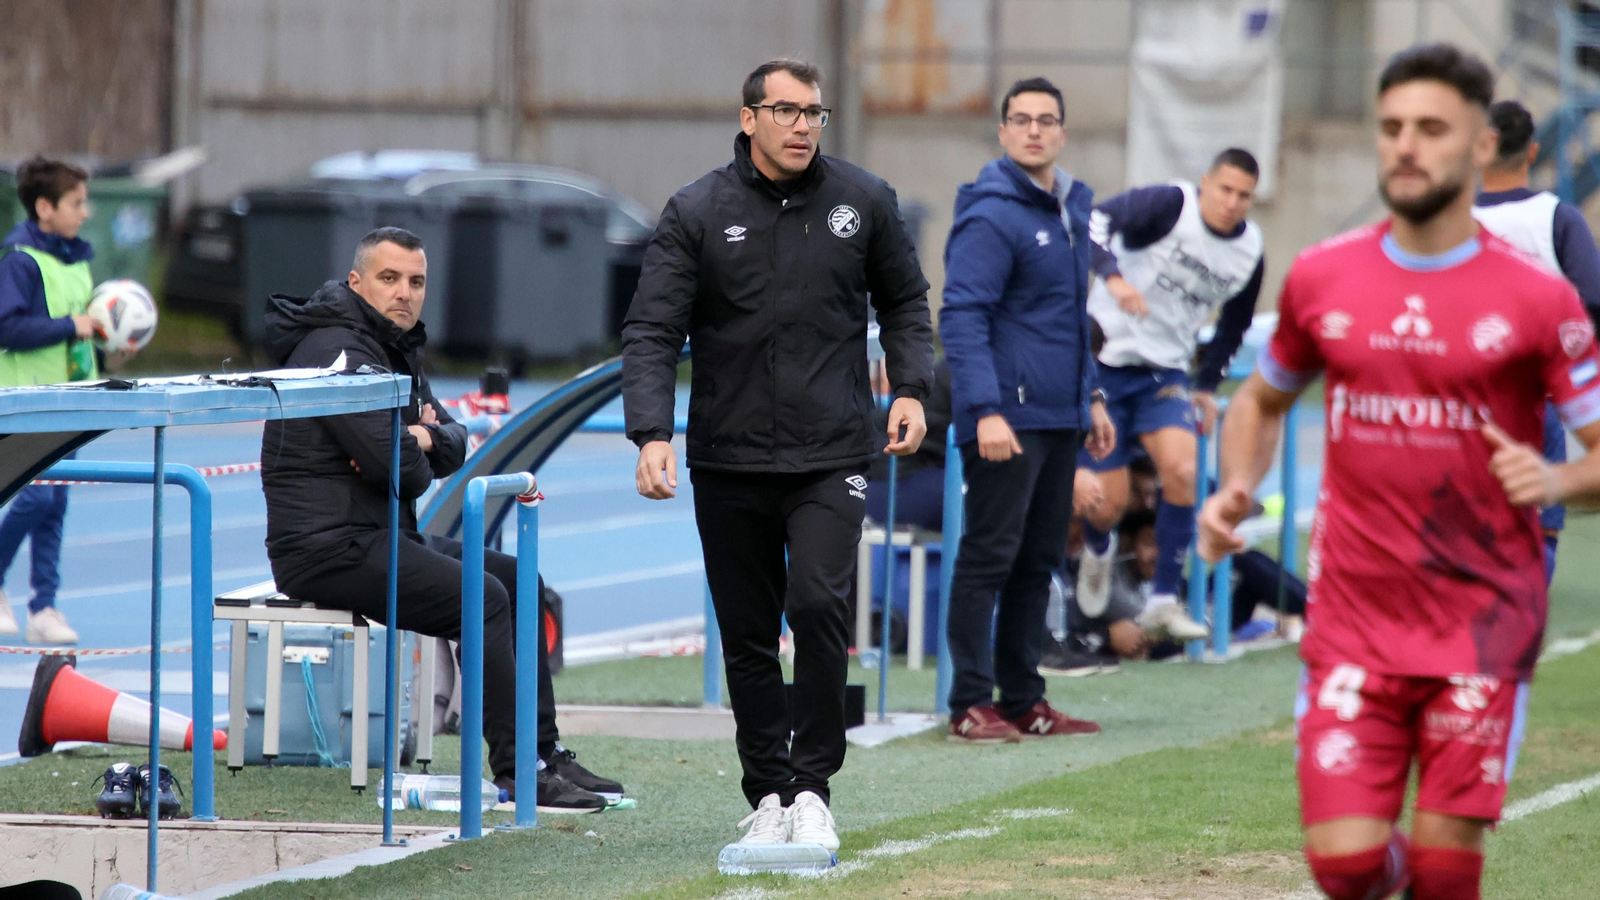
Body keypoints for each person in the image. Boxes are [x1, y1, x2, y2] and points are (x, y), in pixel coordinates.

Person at [1199, 44, 1600, 900]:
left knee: (1448, 873)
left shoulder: (1538, 299)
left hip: (1483, 620)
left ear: (1480, 145)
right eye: (1390, 129)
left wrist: (1558, 482)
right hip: (1353, 618)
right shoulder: (1323, 276)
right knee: (1345, 868)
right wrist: (1236, 485)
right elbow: (1260, 402)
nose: (1406, 146)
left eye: (1430, 128)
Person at [622, 59, 933, 850]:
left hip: (833, 451)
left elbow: (904, 300)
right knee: (748, 633)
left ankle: (813, 786)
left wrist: (910, 387)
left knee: (820, 606)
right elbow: (653, 329)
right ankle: (767, 792)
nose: (802, 126)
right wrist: (651, 432)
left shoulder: (863, 201)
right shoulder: (695, 210)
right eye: (787, 111)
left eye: (815, 113)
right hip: (727, 457)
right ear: (749, 116)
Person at [259, 227, 620, 814]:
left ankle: (545, 752)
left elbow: (453, 444)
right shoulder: (339, 351)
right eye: (389, 278)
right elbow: (405, 473)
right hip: (325, 547)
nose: (404, 292)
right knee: (484, 598)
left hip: (378, 533)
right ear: (357, 283)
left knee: (520, 581)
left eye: (416, 281)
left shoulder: (390, 346)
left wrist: (420, 435)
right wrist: (411, 448)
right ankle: (518, 771)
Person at [938, 76, 1116, 744]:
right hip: (1005, 419)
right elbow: (961, 316)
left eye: (1047, 120)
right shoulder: (991, 213)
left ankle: (1024, 701)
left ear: (1062, 133)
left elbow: (1070, 320)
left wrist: (1090, 395)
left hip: (1059, 414)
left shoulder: (1069, 212)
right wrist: (983, 409)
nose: (1035, 130)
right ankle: (967, 704)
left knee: (1037, 562)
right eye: (1022, 120)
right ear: (1004, 133)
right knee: (987, 557)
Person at [1075, 148, 1269, 644]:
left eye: (1243, 196)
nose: (1231, 203)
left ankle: (1163, 600)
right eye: (1224, 190)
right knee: (1107, 503)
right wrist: (1112, 277)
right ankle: (1098, 548)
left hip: (1164, 373)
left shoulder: (1249, 251)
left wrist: (1206, 386)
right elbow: (1094, 218)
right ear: (1205, 183)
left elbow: (1235, 322)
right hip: (1105, 363)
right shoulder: (1169, 205)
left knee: (1183, 472)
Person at [1471, 97, 1600, 583]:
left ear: (1479, 151)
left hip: (1464, 399)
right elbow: (1593, 301)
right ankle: (1519, 627)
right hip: (1535, 394)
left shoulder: (1453, 220)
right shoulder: (1557, 218)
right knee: (1540, 527)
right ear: (1533, 152)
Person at [0, 157, 125, 645]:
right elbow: (7, 327)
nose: (85, 212)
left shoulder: (76, 259)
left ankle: (44, 604)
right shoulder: (19, 260)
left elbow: (83, 325)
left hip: (75, 397)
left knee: (57, 502)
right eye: (76, 203)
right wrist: (68, 327)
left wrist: (106, 344)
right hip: (32, 400)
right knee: (37, 494)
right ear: (44, 207)